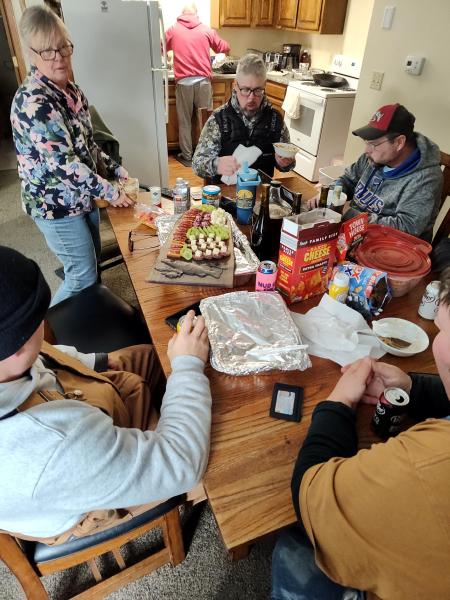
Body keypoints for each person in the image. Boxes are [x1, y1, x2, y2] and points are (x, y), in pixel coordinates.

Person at [0, 245, 211, 542]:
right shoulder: (50, 447)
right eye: (39, 319)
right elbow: (181, 463)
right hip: (85, 490)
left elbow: (44, 354)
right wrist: (188, 366)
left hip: (79, 402)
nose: (44, 324)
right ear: (18, 345)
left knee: (152, 355)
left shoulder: (8, 358)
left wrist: (93, 362)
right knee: (217, 467)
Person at [272, 269, 450, 599]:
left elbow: (313, 496)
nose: (438, 336)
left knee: (293, 549)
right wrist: (414, 388)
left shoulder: (429, 463)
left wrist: (339, 403)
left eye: (442, 330)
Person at [10, 6, 134, 307]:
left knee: (91, 266)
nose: (59, 58)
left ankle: (88, 317)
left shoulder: (73, 92)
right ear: (31, 54)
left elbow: (88, 145)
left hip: (81, 197)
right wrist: (110, 192)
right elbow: (65, 166)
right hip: (54, 205)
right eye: (48, 51)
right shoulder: (35, 103)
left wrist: (115, 169)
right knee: (81, 275)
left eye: (64, 47)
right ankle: (45, 327)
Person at [310, 103, 443, 241]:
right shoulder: (373, 157)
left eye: (374, 144)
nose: (366, 150)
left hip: (391, 245)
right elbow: (348, 180)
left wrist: (350, 214)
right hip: (352, 232)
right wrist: (331, 195)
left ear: (399, 142)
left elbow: (407, 227)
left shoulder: (425, 179)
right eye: (366, 142)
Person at [192, 53, 296, 183]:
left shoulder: (275, 120)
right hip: (226, 193)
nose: (251, 98)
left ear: (265, 85)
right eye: (245, 90)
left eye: (257, 90)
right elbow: (197, 164)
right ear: (235, 85)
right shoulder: (218, 119)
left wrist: (285, 163)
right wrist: (216, 164)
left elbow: (288, 165)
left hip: (261, 191)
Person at [165, 3, 230, 167]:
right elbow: (224, 47)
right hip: (203, 82)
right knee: (206, 121)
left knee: (185, 122)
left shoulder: (173, 29)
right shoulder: (206, 30)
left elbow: (159, 46)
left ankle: (187, 156)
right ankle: (205, 155)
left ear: (182, 13)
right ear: (196, 14)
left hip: (184, 83)